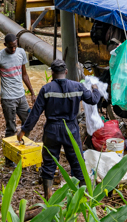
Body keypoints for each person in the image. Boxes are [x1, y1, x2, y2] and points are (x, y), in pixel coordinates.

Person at [18, 59, 102, 199]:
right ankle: (82, 195)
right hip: (71, 129)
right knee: (77, 161)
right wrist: (95, 89)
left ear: (52, 73)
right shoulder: (77, 87)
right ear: (66, 72)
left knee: (49, 162)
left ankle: (48, 195)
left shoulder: (46, 89)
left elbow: (35, 113)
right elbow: (93, 100)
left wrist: (24, 130)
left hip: (52, 130)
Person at [0, 33, 35, 166]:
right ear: (5, 45)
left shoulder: (21, 53)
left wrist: (32, 92)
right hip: (8, 98)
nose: (13, 49)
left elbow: (24, 75)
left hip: (21, 96)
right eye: (10, 47)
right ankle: (9, 160)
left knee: (28, 122)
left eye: (15, 46)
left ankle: (22, 149)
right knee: (11, 128)